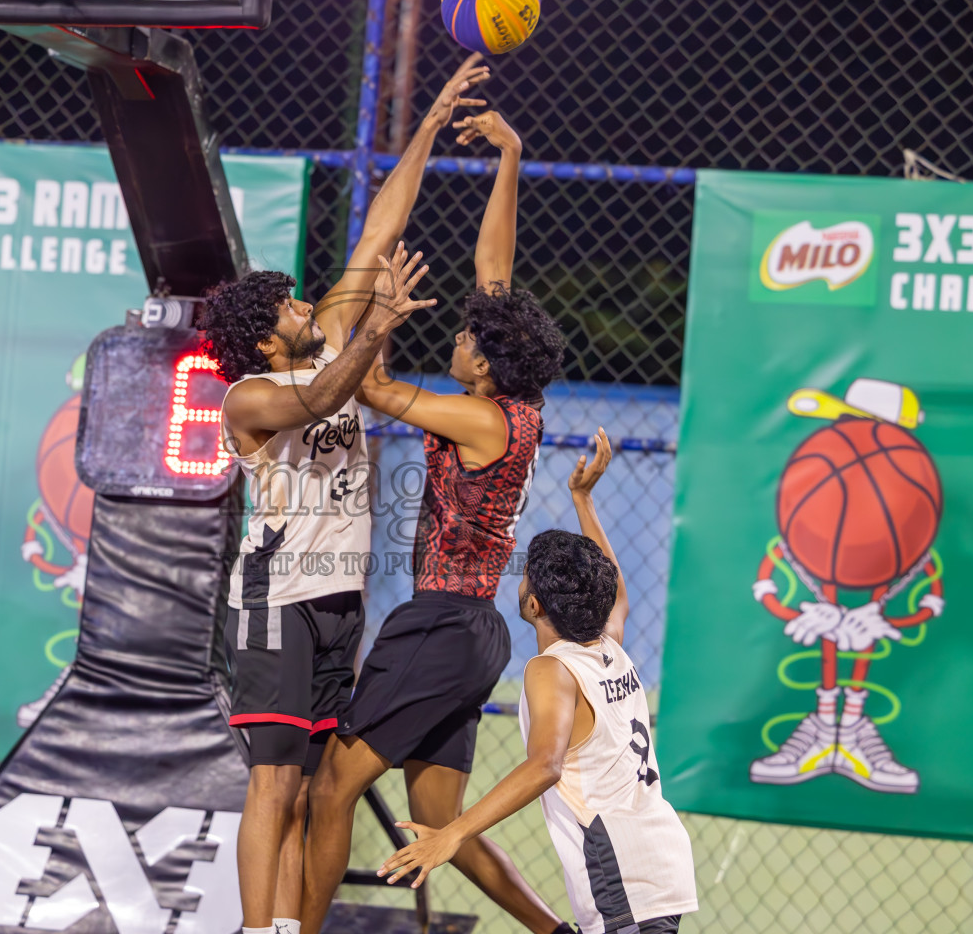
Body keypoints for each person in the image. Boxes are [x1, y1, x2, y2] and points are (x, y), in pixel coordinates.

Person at [200, 54, 491, 934]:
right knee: (274, 781)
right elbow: (326, 398)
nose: (301, 302)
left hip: (340, 599)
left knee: (306, 794)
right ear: (263, 337)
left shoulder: (327, 335)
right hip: (278, 596)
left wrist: (433, 123)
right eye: (286, 304)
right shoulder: (248, 397)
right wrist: (381, 326)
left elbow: (377, 229)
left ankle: (291, 925)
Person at [300, 109, 572, 934]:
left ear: (484, 365)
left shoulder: (481, 420)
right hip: (476, 629)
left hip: (440, 622)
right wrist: (511, 157)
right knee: (439, 825)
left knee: (330, 789)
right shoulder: (515, 402)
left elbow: (371, 391)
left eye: (463, 337)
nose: (457, 335)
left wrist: (379, 317)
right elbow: (497, 270)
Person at [375, 430, 700, 934]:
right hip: (658, 855)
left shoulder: (551, 668)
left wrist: (452, 835)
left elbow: (545, 765)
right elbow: (613, 586)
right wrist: (583, 498)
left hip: (620, 871)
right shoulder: (609, 643)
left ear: (533, 606)